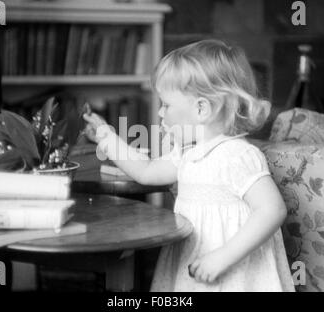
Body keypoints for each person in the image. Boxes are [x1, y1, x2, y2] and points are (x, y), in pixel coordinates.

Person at [83, 39, 295, 291]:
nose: (160, 113)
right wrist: (107, 137)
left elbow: (272, 210)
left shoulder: (237, 155)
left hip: (234, 270)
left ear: (202, 109)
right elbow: (146, 172)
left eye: (166, 105)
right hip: (194, 262)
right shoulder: (186, 154)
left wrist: (223, 257)